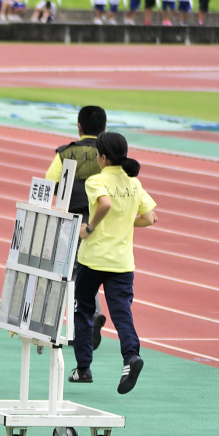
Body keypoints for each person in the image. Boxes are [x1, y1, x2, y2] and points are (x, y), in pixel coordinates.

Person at [68, 132, 157, 395]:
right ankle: (131, 357)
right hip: (121, 262)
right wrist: (123, 222)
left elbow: (104, 204)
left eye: (97, 155)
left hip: (93, 259)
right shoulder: (134, 183)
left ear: (104, 157)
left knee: (83, 310)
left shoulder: (97, 180)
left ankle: (83, 369)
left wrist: (90, 228)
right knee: (122, 313)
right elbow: (150, 218)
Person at [45, 105, 108, 349]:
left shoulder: (65, 153)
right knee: (90, 270)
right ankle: (91, 316)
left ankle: (81, 323)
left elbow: (49, 183)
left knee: (70, 272)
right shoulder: (107, 154)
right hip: (102, 221)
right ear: (103, 128)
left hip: (72, 220)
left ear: (79, 127)